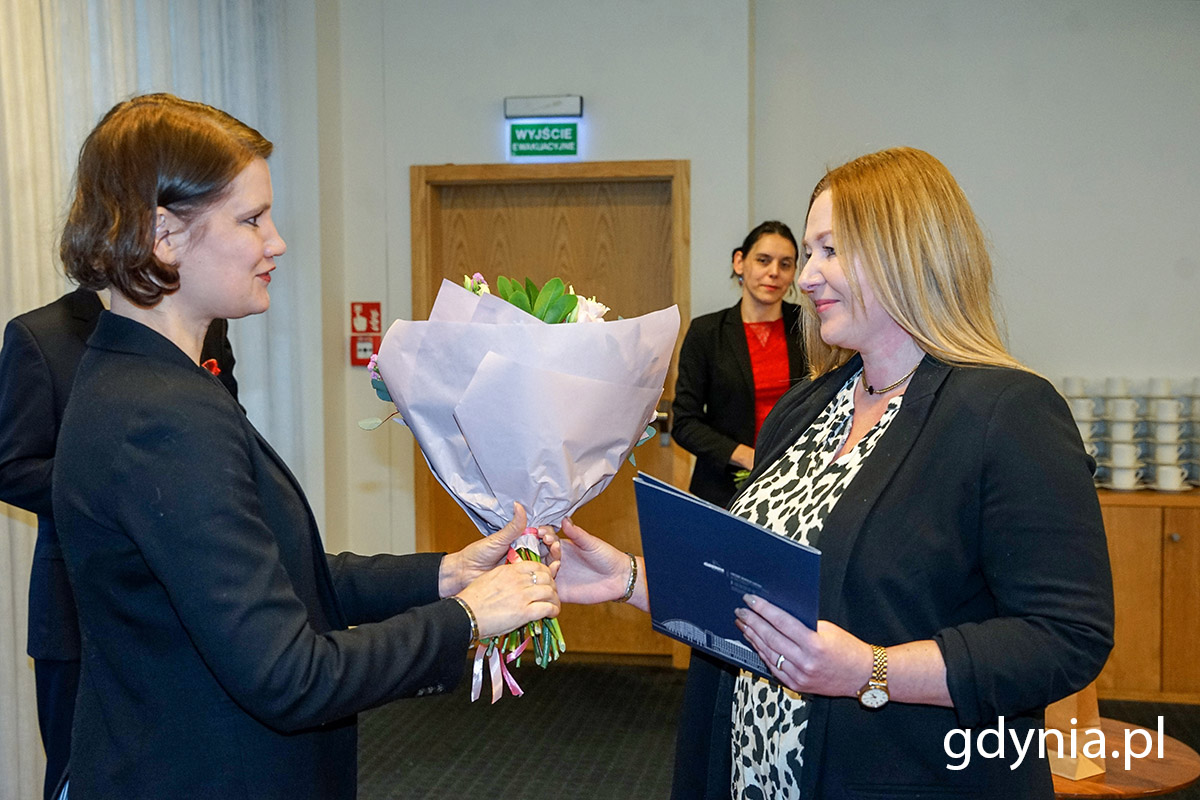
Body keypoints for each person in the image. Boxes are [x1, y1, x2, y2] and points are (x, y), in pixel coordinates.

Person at [554, 147, 1114, 799]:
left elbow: (1065, 637)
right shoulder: (805, 408)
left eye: (830, 250)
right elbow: (756, 593)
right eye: (809, 252)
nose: (805, 277)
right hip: (755, 772)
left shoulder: (1006, 412)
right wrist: (631, 579)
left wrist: (871, 671)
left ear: (907, 254)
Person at [50, 93, 559, 799]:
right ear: (163, 235)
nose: (277, 241)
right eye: (252, 219)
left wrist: (445, 575)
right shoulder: (161, 415)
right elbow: (289, 676)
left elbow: (274, 580)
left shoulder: (140, 378)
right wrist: (467, 619)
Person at [0, 288, 236, 800]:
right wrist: (120, 481)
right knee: (80, 776)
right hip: (76, 607)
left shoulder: (208, 324)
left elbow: (228, 436)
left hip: (192, 596)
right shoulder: (39, 335)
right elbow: (11, 468)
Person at [671, 221, 807, 508]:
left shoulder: (810, 329)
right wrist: (747, 456)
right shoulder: (707, 332)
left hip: (797, 485)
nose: (774, 272)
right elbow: (684, 423)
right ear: (740, 262)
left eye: (785, 264)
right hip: (722, 492)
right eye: (763, 260)